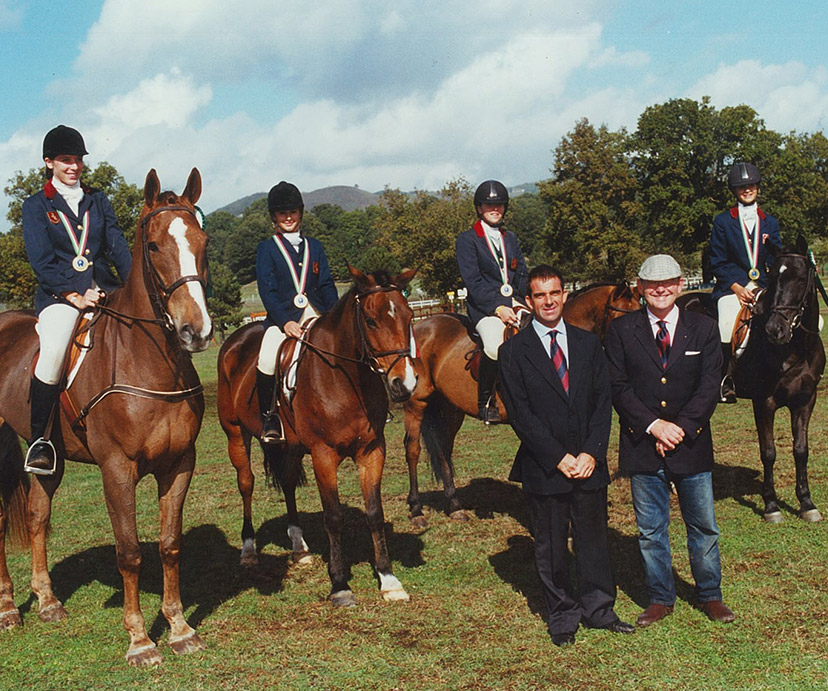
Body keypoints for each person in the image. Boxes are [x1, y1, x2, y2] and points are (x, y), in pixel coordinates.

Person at [499, 264, 634, 647]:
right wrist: (558, 457)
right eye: (539, 295)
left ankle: (599, 609)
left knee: (594, 540)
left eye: (554, 293)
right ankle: (562, 616)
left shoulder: (589, 344)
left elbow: (600, 402)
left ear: (564, 296)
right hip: (546, 465)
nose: (548, 301)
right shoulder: (512, 352)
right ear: (529, 300)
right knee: (552, 544)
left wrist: (592, 453)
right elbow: (521, 415)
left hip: (588, 462)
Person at [605, 254, 735, 628]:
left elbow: (710, 384)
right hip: (642, 444)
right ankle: (661, 597)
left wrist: (680, 427)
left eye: (668, 283)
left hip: (690, 442)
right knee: (650, 531)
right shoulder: (621, 330)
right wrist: (654, 426)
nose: (660, 290)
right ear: (640, 289)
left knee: (704, 526)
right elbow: (618, 386)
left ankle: (710, 594)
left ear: (680, 285)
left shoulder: (704, 327)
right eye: (652, 284)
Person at [21, 125, 132, 475]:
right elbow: (41, 261)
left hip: (105, 290)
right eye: (65, 160)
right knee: (54, 348)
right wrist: (73, 293)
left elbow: (118, 248)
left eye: (78, 160)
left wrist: (133, 287)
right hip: (60, 296)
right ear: (49, 162)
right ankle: (40, 440)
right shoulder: (37, 206)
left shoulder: (98, 200)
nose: (73, 166)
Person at [255, 181, 338, 442]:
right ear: (274, 217)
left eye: (292, 211)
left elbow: (326, 284)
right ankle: (270, 417)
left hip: (317, 314)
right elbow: (267, 292)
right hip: (283, 320)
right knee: (268, 358)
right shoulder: (266, 249)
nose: (288, 217)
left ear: (300, 213)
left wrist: (333, 317)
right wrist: (284, 323)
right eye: (282, 213)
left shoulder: (315, 246)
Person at [456, 180, 529, 424]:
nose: (494, 208)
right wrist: (498, 307)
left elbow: (521, 273)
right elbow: (473, 281)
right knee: (494, 346)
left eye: (498, 204)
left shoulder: (511, 238)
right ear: (479, 208)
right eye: (489, 204)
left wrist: (521, 300)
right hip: (485, 308)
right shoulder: (467, 240)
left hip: (515, 301)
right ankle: (486, 400)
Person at [710, 162, 781, 402]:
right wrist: (737, 288)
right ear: (735, 190)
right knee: (727, 320)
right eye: (742, 187)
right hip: (733, 285)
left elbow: (775, 256)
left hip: (763, 284)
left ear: (757, 188)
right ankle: (725, 378)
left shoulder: (770, 222)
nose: (747, 190)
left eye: (750, 185)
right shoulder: (723, 221)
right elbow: (717, 260)